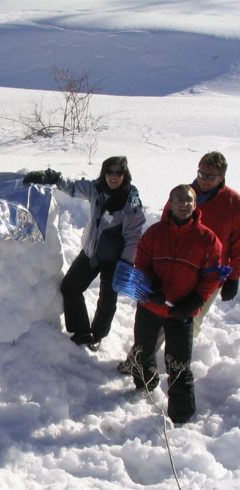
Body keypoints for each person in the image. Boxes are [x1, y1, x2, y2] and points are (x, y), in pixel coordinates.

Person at [118, 151, 240, 373]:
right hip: (170, 270)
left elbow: (238, 244)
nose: (203, 179)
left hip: (206, 276)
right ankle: (139, 361)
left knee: (189, 320)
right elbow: (164, 229)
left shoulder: (233, 203)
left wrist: (234, 277)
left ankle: (175, 364)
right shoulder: (183, 195)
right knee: (156, 316)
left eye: (210, 176)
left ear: (222, 177)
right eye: (201, 173)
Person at [23, 156, 145, 349]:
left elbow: (133, 237)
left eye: (118, 173)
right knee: (70, 287)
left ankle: (97, 336)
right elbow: (72, 187)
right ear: (104, 173)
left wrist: (126, 264)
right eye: (109, 172)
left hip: (115, 260)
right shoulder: (96, 189)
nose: (113, 177)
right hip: (91, 252)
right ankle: (81, 331)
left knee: (107, 301)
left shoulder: (131, 203)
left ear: (125, 174)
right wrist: (51, 176)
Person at [127, 185, 222, 424]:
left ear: (195, 204)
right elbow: (141, 263)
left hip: (181, 312)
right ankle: (144, 387)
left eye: (188, 200)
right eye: (179, 199)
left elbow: (212, 277)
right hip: (150, 306)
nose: (184, 204)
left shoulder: (207, 239)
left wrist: (195, 301)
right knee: (142, 351)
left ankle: (181, 416)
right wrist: (151, 287)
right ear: (170, 202)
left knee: (178, 364)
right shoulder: (155, 233)